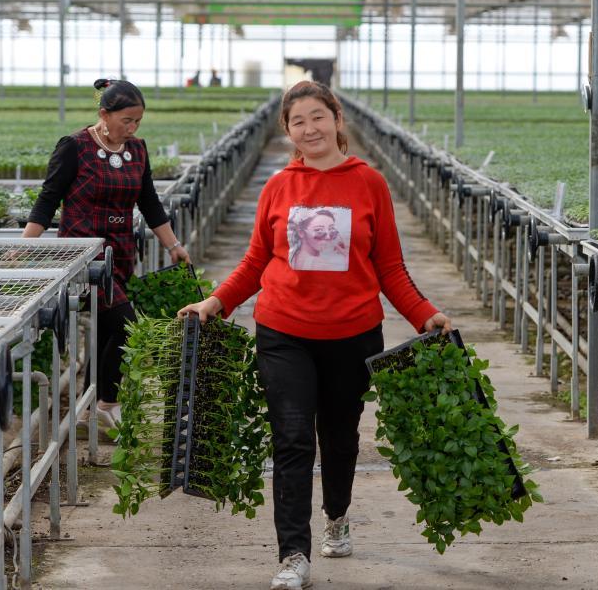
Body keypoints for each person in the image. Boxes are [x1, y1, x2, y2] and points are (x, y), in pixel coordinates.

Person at [177, 81, 451, 590]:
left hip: (354, 333)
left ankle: (337, 516)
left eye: (318, 117)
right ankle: (293, 555)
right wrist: (216, 302)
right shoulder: (279, 186)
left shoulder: (369, 183)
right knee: (292, 438)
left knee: (340, 438)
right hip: (284, 331)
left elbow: (390, 266)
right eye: (298, 121)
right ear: (288, 130)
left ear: (337, 119)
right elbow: (256, 260)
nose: (310, 129)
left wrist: (424, 315)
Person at [23, 78, 190, 430]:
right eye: (126, 120)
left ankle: (89, 410)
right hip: (84, 259)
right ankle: (106, 404)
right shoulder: (75, 147)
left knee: (105, 332)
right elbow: (48, 199)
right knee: (128, 326)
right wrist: (24, 247)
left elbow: (149, 203)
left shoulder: (137, 150)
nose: (132, 128)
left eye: (138, 121)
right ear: (104, 114)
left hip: (121, 254)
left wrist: (173, 246)